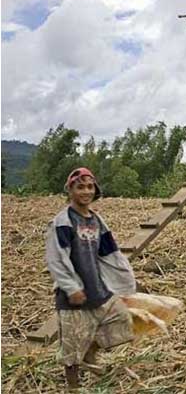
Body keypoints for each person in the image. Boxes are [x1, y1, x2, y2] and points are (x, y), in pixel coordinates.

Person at [45, 167, 137, 389]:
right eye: (80, 187)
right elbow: (56, 257)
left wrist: (126, 282)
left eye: (89, 187)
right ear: (70, 190)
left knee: (123, 323)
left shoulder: (96, 220)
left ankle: (89, 352)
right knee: (71, 350)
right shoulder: (63, 222)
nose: (85, 191)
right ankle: (73, 388)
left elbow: (110, 253)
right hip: (73, 296)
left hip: (97, 291)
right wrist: (70, 287)